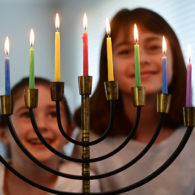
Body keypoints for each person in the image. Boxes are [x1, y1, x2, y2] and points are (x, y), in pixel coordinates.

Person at [73, 8, 195, 195]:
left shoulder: (190, 135)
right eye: (125, 51)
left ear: (175, 58)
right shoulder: (90, 142)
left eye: (154, 47)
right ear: (108, 68)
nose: (141, 60)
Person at [0, 77, 100, 195]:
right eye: (26, 115)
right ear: (3, 134)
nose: (41, 125)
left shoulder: (83, 183)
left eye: (53, 114)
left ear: (69, 132)